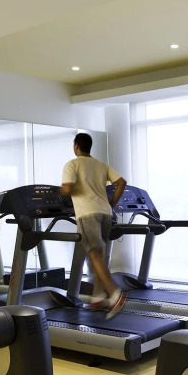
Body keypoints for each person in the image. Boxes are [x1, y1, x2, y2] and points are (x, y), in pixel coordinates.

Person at [61, 132, 128, 318]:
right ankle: (98, 297)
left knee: (94, 255)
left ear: (76, 146)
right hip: (105, 213)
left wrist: (61, 191)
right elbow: (121, 182)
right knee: (100, 256)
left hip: (87, 213)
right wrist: (111, 204)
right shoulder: (101, 165)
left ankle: (114, 293)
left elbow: (67, 189)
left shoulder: (72, 164)